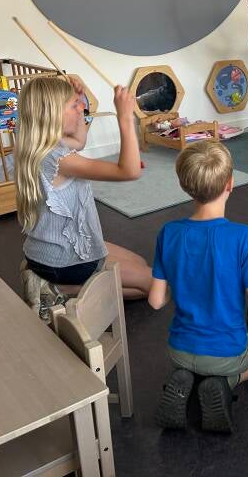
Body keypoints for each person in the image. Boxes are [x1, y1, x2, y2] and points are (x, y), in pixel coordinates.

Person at [148, 141, 248, 432]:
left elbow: (156, 301)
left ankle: (188, 377)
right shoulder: (243, 237)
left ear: (184, 185)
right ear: (230, 183)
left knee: (194, 362)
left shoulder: (168, 233)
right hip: (228, 352)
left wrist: (184, 278)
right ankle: (225, 382)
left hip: (178, 350)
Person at [16, 76, 153, 317]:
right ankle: (61, 287)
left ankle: (59, 287)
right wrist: (124, 117)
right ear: (51, 115)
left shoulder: (35, 140)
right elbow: (129, 171)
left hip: (46, 253)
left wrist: (80, 96)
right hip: (66, 261)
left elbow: (79, 140)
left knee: (140, 264)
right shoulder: (57, 158)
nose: (81, 108)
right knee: (154, 284)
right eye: (73, 106)